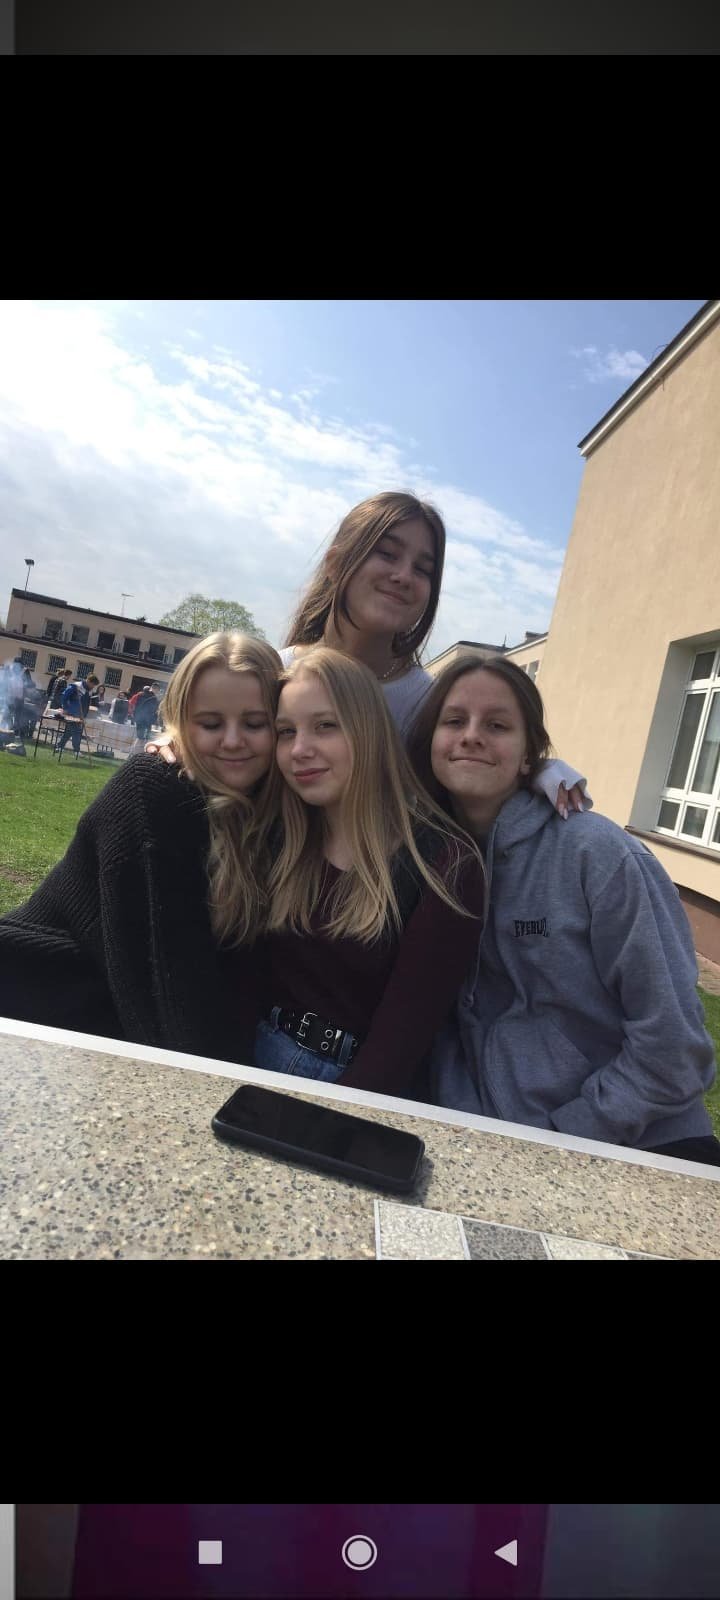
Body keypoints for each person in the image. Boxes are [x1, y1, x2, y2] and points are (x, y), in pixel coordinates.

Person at [405, 651, 720, 1164]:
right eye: (454, 721)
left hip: (639, 1146)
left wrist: (564, 1137)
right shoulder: (425, 858)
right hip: (493, 1148)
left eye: (498, 725)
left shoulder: (599, 855)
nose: (472, 736)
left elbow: (674, 1049)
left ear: (529, 755)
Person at [147, 490, 592, 816]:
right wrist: (180, 742)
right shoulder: (274, 674)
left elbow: (472, 775)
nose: (404, 576)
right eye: (387, 554)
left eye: (423, 568)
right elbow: (225, 753)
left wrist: (535, 772)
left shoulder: (430, 705)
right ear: (336, 563)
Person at [0, 635, 282, 1061]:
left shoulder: (268, 811)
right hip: (34, 1008)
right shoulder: (155, 786)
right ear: (180, 723)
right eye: (210, 724)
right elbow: (169, 987)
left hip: (98, 1032)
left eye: (255, 724)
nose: (232, 740)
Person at [253, 646, 485, 1098]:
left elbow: (399, 1047)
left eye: (325, 726)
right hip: (252, 1065)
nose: (299, 750)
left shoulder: (443, 863)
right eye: (286, 731)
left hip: (353, 1091)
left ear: (368, 730)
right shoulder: (280, 836)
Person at [55, 674, 100, 757]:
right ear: (88, 681)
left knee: (69, 731)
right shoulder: (76, 686)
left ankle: (59, 746)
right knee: (77, 732)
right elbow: (64, 696)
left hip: (81, 714)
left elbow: (86, 703)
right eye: (93, 684)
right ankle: (76, 751)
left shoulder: (89, 690)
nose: (93, 687)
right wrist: (65, 708)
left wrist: (84, 714)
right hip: (72, 712)